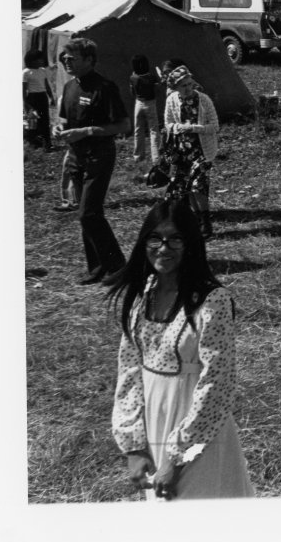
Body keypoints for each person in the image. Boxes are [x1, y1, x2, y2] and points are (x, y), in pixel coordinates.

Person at [107, 198, 253, 500]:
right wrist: (134, 446)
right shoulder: (142, 296)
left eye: (175, 239)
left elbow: (217, 384)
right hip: (154, 425)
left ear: (190, 245)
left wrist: (177, 457)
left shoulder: (212, 301)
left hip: (199, 433)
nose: (164, 248)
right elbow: (129, 370)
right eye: (155, 238)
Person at [54, 38, 128, 284]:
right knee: (85, 213)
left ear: (89, 60)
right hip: (76, 156)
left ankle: (118, 267)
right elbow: (64, 119)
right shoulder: (69, 87)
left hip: (99, 154)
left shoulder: (104, 87)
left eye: (71, 58)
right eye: (64, 57)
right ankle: (97, 267)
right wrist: (58, 128)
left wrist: (86, 132)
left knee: (89, 213)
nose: (66, 61)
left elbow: (122, 125)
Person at [162, 66, 220, 240]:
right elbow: (167, 123)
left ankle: (206, 224)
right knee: (186, 188)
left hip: (202, 150)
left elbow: (215, 127)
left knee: (198, 187)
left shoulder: (204, 100)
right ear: (175, 87)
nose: (188, 88)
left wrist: (194, 128)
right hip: (181, 151)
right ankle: (196, 222)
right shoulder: (171, 100)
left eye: (189, 84)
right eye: (183, 86)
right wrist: (176, 127)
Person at [128, 54, 162, 163]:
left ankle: (138, 157)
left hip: (138, 103)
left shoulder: (133, 77)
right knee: (154, 131)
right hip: (150, 103)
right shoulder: (152, 77)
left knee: (138, 130)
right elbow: (158, 88)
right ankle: (156, 158)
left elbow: (132, 92)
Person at [23, 49, 56, 151]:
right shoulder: (26, 72)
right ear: (32, 61)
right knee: (33, 121)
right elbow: (23, 89)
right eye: (40, 59)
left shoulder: (43, 70)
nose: (42, 61)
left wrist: (51, 97)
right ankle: (33, 142)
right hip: (32, 98)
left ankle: (47, 143)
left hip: (42, 97)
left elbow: (46, 85)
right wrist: (25, 104)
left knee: (45, 120)